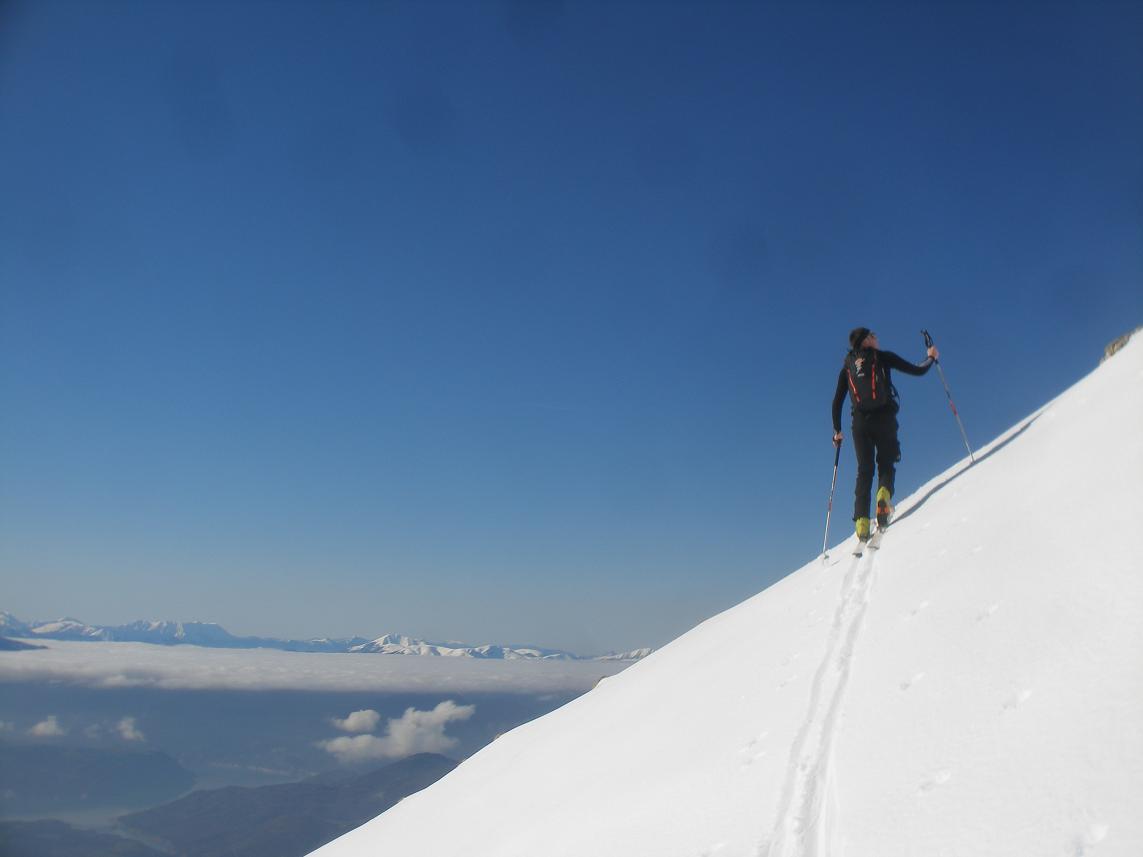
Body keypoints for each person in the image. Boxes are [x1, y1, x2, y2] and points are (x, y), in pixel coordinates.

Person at [831, 327, 939, 541]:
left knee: (864, 470)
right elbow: (916, 370)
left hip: (859, 423)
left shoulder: (847, 367)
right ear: (866, 341)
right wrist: (931, 358)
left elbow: (837, 402)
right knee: (886, 462)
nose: (877, 338)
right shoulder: (882, 357)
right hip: (884, 418)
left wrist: (837, 431)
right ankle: (884, 497)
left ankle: (861, 523)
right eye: (874, 336)